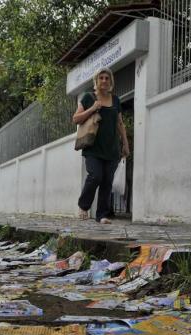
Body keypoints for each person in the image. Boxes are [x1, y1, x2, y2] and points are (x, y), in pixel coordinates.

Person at [72, 67, 130, 224]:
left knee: (107, 182)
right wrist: (92, 108)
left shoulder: (116, 100)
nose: (104, 81)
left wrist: (125, 143)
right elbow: (76, 119)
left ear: (111, 81)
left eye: (107, 78)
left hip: (112, 149)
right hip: (92, 148)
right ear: (96, 81)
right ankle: (83, 206)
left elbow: (120, 123)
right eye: (101, 78)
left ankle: (102, 215)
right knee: (95, 176)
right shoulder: (88, 98)